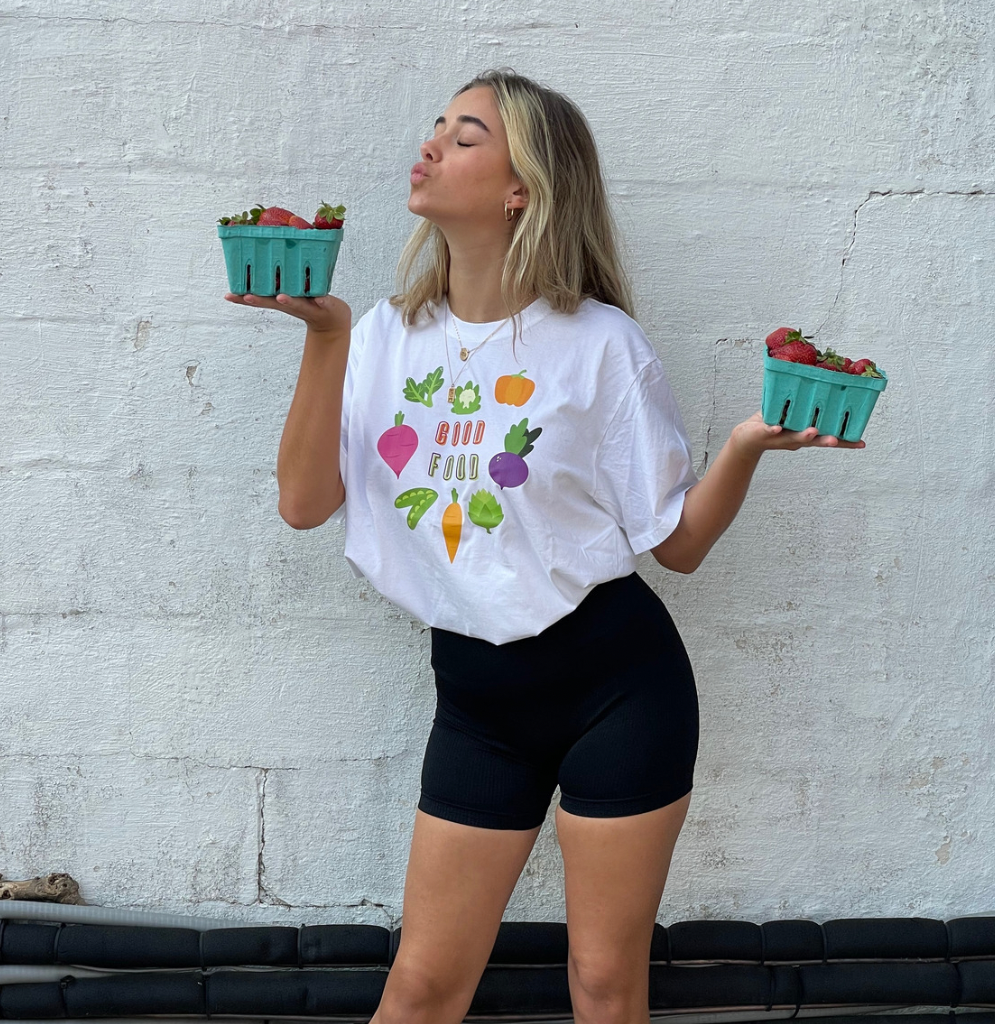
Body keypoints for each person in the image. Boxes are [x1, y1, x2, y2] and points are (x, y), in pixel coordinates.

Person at [225, 68, 864, 1024]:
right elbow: (303, 503)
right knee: (422, 988)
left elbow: (676, 549)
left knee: (605, 988)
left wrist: (741, 450)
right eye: (436, 125)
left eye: (467, 134)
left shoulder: (599, 344)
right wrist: (327, 335)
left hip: (616, 688)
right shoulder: (384, 339)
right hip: (477, 701)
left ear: (523, 188)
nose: (433, 142)